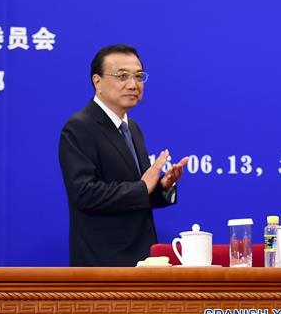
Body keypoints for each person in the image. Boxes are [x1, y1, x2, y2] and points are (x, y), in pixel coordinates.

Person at [59, 44, 187, 267]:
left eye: (138, 76)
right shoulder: (79, 127)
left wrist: (161, 187)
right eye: (122, 76)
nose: (133, 84)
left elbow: (137, 192)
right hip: (103, 263)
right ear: (97, 82)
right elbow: (84, 194)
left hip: (141, 259)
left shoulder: (132, 127)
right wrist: (143, 187)